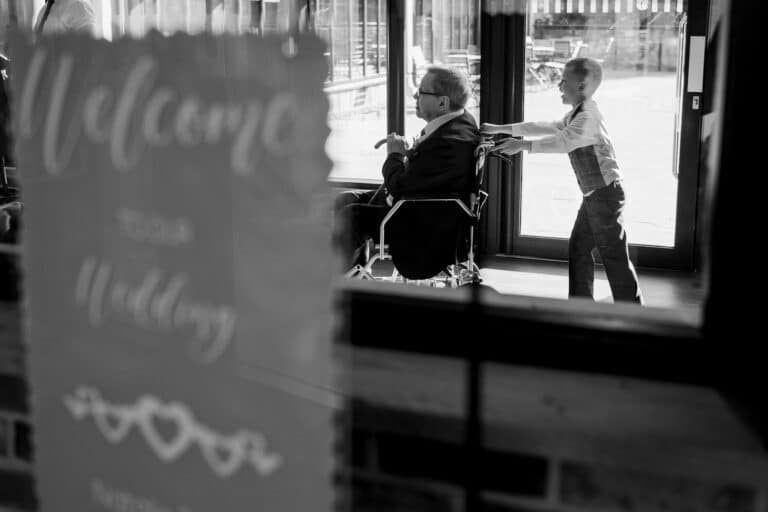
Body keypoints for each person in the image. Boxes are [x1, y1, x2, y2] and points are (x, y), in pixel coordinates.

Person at [482, 57, 643, 304]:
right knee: (579, 247)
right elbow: (546, 126)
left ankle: (632, 310)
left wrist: (523, 145)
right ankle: (580, 305)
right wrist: (498, 128)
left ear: (581, 86)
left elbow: (563, 141)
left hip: (605, 195)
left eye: (563, 81)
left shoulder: (588, 117)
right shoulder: (576, 114)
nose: (558, 86)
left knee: (614, 256)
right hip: (595, 195)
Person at [334, 65, 480, 274]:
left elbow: (398, 187)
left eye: (421, 92)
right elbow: (430, 165)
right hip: (425, 210)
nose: (415, 97)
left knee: (351, 215)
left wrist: (394, 154)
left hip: (420, 225)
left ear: (442, 102)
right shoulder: (462, 122)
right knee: (346, 199)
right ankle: (355, 269)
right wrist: (411, 149)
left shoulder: (448, 143)